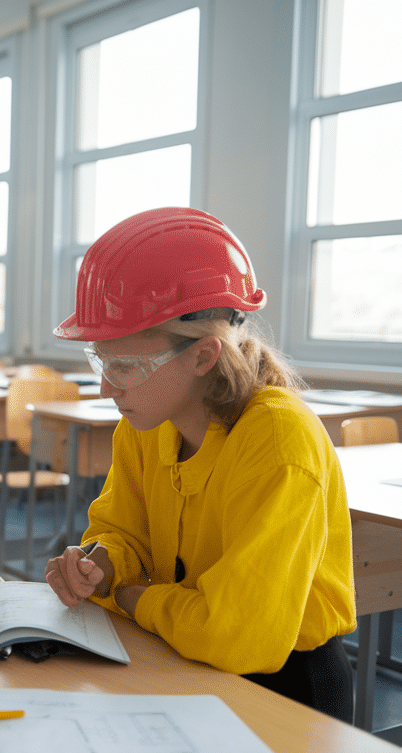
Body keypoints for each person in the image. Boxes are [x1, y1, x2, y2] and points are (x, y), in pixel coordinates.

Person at [43, 207, 356, 722]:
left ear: (203, 356)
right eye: (101, 361)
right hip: (175, 655)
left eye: (124, 366)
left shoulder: (277, 439)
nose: (107, 386)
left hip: (285, 687)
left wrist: (132, 598)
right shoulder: (144, 424)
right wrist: (103, 565)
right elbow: (124, 532)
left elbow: (237, 635)